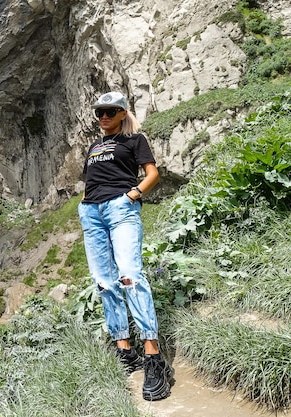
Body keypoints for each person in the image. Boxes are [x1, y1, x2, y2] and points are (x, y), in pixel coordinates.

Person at [77, 91, 174, 401]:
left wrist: (132, 195)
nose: (103, 116)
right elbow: (92, 181)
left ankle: (153, 357)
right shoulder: (94, 146)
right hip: (92, 213)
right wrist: (84, 204)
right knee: (104, 283)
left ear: (122, 113)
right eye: (99, 112)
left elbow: (152, 174)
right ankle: (124, 351)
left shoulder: (134, 140)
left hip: (121, 209)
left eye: (110, 111)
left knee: (130, 276)